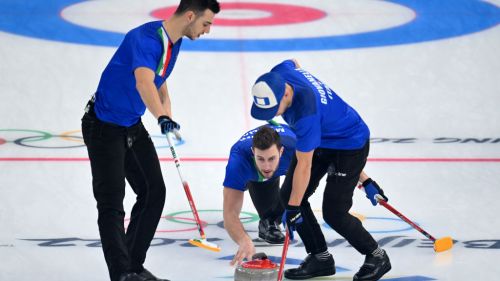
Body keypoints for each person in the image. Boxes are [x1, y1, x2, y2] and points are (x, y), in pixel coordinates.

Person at [81, 1, 220, 281]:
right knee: (111, 204)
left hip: (130, 124)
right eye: (206, 23)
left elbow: (159, 83)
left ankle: (133, 265)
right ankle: (121, 275)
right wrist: (160, 118)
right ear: (190, 16)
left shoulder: (172, 42)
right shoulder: (144, 39)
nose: (207, 30)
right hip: (103, 126)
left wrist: (167, 114)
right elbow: (143, 83)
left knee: (153, 191)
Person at [250, 59, 391, 281]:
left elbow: (304, 165)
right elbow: (293, 63)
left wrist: (295, 208)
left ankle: (377, 256)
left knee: (334, 213)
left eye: (272, 108)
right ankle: (320, 258)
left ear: (286, 95)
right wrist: (293, 204)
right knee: (289, 196)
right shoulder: (280, 74)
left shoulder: (305, 113)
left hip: (349, 145)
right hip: (323, 137)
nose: (273, 114)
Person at [223, 123, 296, 266]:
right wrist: (244, 240)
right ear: (253, 152)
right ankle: (269, 221)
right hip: (257, 176)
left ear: (281, 152)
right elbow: (229, 214)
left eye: (271, 158)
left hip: (293, 162)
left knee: (300, 191)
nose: (267, 166)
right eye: (260, 159)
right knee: (269, 213)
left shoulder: (296, 148)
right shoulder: (239, 160)